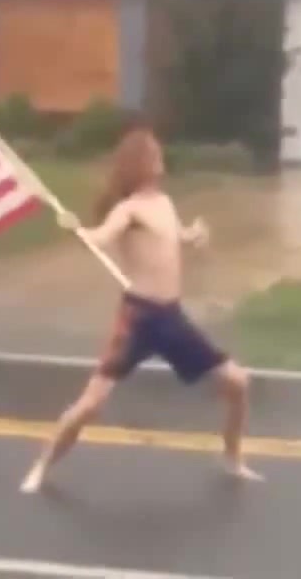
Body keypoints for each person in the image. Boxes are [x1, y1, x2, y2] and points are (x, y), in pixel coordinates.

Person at [20, 123, 262, 494]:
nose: (160, 156)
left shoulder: (164, 203)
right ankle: (41, 467)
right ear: (140, 163)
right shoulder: (129, 210)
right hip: (138, 320)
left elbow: (177, 237)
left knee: (238, 383)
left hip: (172, 318)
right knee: (91, 405)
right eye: (153, 152)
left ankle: (232, 458)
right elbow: (100, 238)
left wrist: (195, 234)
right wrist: (79, 232)